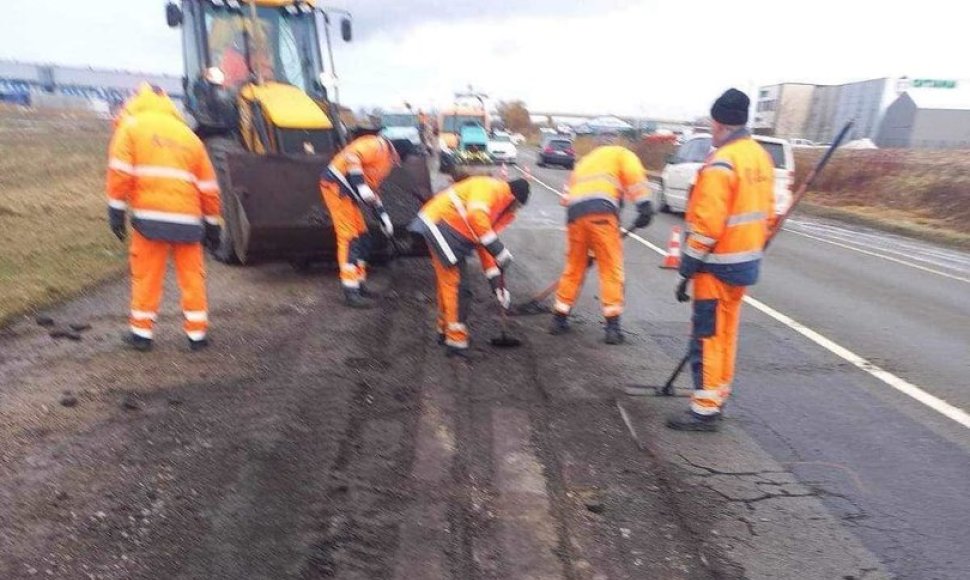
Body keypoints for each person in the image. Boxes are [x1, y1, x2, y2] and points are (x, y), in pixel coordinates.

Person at [667, 88, 776, 432]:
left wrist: (688, 265)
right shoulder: (759, 157)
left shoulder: (721, 163)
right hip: (745, 264)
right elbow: (768, 213)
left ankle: (704, 409)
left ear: (719, 123)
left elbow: (707, 225)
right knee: (726, 333)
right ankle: (718, 394)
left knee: (707, 335)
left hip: (716, 265)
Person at [105, 86, 222, 352]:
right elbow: (208, 187)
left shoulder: (131, 127)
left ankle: (142, 334)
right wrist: (213, 224)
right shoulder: (189, 136)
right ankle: (197, 335)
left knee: (147, 275)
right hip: (188, 221)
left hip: (150, 219)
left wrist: (116, 211)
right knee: (192, 276)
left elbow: (120, 172)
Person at [408, 177, 530, 357]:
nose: (516, 210)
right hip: (440, 225)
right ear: (513, 197)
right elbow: (477, 217)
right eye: (518, 205)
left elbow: (484, 243)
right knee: (458, 288)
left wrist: (497, 285)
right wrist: (499, 249)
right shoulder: (490, 188)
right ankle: (456, 342)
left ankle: (445, 330)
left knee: (448, 284)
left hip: (447, 230)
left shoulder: (500, 208)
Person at [549, 144, 653, 344]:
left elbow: (568, 197)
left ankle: (558, 319)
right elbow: (634, 177)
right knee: (610, 269)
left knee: (574, 267)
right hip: (602, 213)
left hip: (574, 216)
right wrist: (644, 205)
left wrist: (588, 249)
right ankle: (612, 328)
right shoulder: (623, 154)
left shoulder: (585, 161)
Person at [319, 133, 415, 307]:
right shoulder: (376, 146)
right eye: (398, 160)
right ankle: (351, 292)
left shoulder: (385, 162)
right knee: (350, 239)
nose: (396, 164)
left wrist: (383, 217)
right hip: (336, 187)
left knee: (363, 238)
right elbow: (352, 156)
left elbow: (372, 192)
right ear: (397, 153)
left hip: (349, 194)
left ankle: (359, 284)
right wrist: (361, 186)